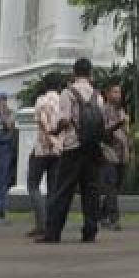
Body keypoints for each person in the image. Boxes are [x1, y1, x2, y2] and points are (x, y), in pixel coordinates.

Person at [41, 58, 104, 244]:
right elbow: (100, 122)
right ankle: (90, 231)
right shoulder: (97, 96)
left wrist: (55, 131)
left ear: (74, 73)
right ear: (90, 73)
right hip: (92, 148)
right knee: (91, 191)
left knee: (63, 190)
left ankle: (53, 232)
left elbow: (65, 120)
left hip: (73, 146)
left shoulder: (68, 94)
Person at [26, 73, 62, 239]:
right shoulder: (63, 101)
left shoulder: (41, 101)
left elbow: (41, 122)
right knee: (53, 187)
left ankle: (41, 223)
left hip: (41, 148)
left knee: (33, 184)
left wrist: (47, 138)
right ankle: (51, 223)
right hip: (58, 149)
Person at [99, 84, 130, 231]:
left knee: (117, 186)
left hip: (122, 153)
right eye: (115, 92)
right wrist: (118, 124)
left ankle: (102, 214)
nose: (118, 95)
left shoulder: (122, 111)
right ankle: (113, 218)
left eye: (120, 92)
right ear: (107, 93)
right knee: (111, 186)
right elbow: (104, 132)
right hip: (109, 152)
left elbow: (126, 132)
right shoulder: (103, 110)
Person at [0, 92, 17, 220]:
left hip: (5, 149)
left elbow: (9, 126)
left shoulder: (10, 113)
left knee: (1, 180)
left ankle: (0, 210)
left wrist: (2, 111)